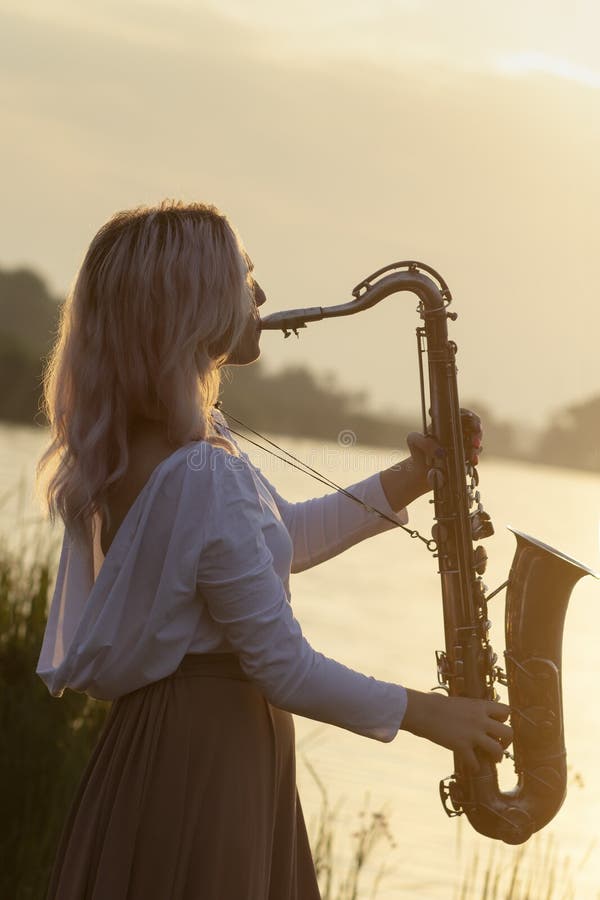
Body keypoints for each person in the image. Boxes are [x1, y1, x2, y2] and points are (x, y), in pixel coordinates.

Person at [35, 200, 512, 900]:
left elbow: (279, 541)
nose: (259, 294)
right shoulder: (203, 471)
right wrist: (428, 713)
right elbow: (283, 666)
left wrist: (413, 477)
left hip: (167, 746)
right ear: (191, 303)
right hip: (212, 756)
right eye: (243, 274)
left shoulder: (171, 452)